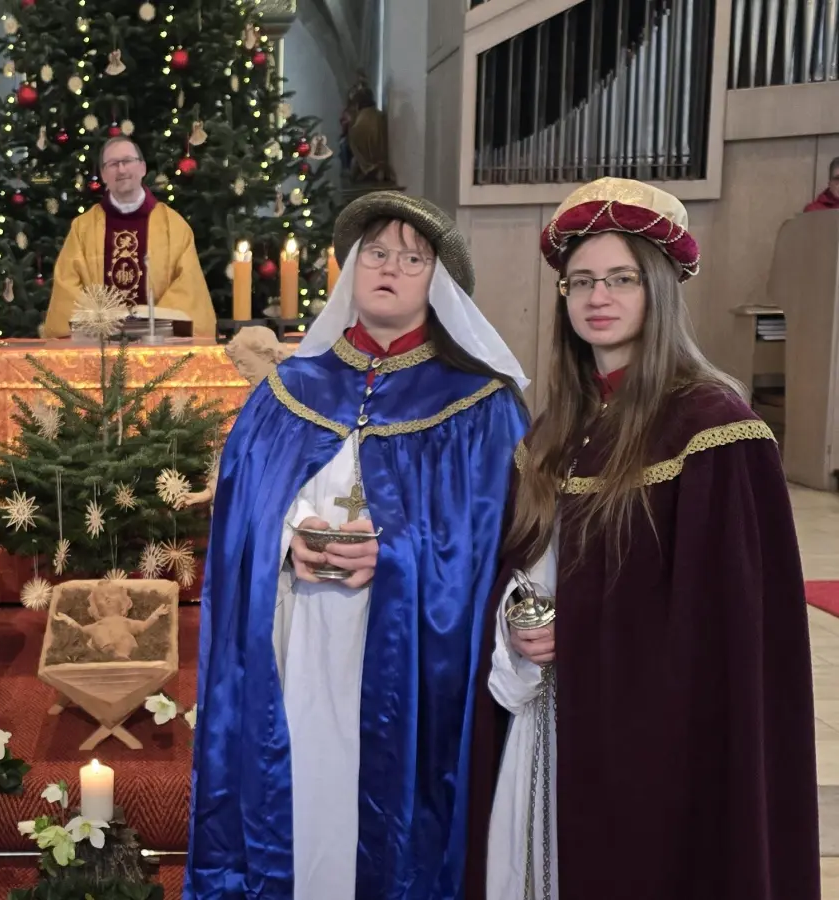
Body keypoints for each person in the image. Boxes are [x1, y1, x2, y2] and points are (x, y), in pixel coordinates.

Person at [465, 177, 819, 900]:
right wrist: (515, 619)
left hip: (656, 741)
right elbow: (522, 562)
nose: (599, 297)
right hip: (547, 716)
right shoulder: (553, 430)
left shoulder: (714, 427)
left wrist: (581, 628)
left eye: (621, 279)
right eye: (582, 281)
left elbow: (723, 623)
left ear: (658, 289)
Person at [187, 192, 529, 899]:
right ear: (351, 268)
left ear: (438, 283)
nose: (390, 268)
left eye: (412, 258)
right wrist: (287, 541)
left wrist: (396, 554)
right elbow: (240, 517)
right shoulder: (289, 389)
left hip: (407, 659)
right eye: (376, 252)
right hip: (298, 636)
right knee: (301, 790)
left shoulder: (479, 404)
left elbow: (498, 543)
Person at [40, 136, 216, 338]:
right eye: (113, 164)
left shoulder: (174, 226)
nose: (121, 170)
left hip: (158, 344)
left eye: (127, 161)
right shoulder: (83, 228)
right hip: (98, 345)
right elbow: (67, 288)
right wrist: (100, 321)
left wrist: (153, 324)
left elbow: (188, 288)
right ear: (103, 175)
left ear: (142, 168)